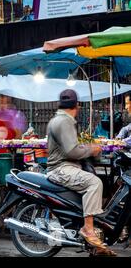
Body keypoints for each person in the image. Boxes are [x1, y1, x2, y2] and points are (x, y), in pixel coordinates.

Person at [46, 89, 115, 255]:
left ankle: (95, 241)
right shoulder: (64, 121)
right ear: (76, 106)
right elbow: (72, 151)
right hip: (61, 168)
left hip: (66, 167)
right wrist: (92, 149)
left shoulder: (60, 119)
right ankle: (88, 228)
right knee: (94, 182)